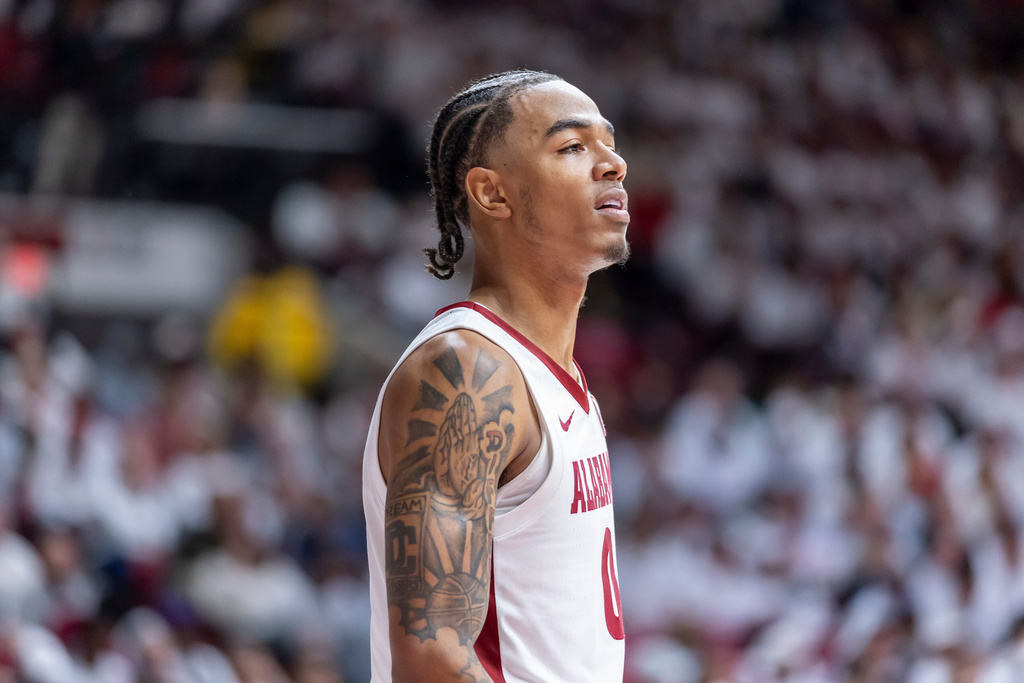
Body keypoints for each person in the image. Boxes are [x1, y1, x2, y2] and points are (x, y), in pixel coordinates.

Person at [362, 69, 629, 683]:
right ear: (492, 194)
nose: (612, 164)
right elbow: (432, 661)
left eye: (609, 143)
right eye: (572, 147)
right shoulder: (466, 371)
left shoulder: (548, 370)